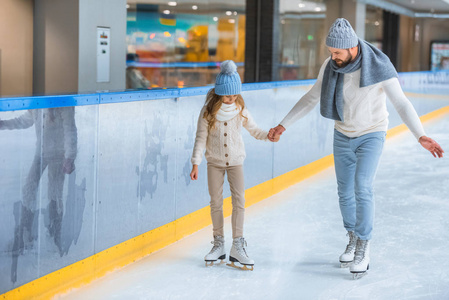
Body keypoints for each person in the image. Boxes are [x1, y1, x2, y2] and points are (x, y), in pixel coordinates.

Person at [268, 18, 444, 279]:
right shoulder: (331, 65)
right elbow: (311, 97)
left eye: (337, 52)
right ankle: (352, 236)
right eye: (330, 52)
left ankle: (364, 243)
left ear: (352, 48)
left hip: (371, 133)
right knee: (344, 192)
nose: (332, 57)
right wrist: (283, 125)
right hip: (343, 133)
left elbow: (402, 103)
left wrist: (420, 135)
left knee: (362, 186)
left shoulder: (379, 66)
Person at [190, 60, 270, 271]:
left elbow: (255, 130)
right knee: (216, 202)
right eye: (227, 96)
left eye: (234, 95)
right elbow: (200, 138)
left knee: (239, 201)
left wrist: (268, 135)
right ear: (218, 94)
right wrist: (195, 162)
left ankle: (238, 244)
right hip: (214, 163)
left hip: (236, 162)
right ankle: (218, 244)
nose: (231, 99)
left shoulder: (240, 110)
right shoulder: (208, 112)